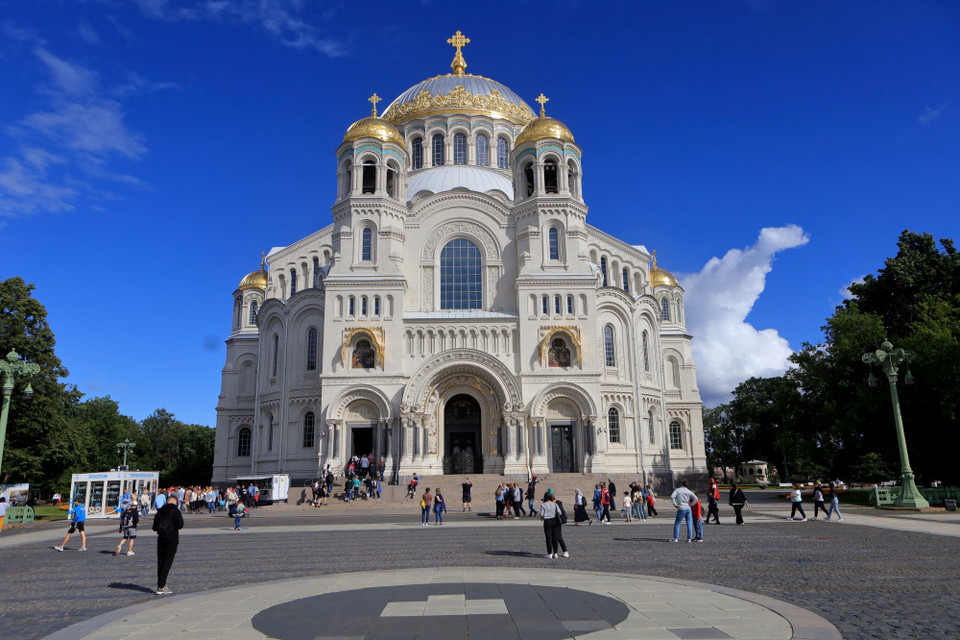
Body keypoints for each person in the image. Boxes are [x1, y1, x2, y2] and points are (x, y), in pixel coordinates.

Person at [153, 494, 184, 595]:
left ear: (167, 502)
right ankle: (162, 586)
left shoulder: (160, 512)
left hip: (161, 538)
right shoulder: (176, 511)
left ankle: (160, 584)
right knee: (167, 562)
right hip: (172, 538)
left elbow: (154, 527)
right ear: (175, 502)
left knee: (160, 562)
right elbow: (180, 525)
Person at [539, 491, 568, 559]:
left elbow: (541, 515)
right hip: (555, 520)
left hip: (547, 521)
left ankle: (550, 553)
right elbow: (559, 512)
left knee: (548, 537)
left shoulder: (543, 505)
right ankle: (555, 553)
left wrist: (543, 517)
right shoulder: (555, 504)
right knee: (555, 537)